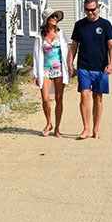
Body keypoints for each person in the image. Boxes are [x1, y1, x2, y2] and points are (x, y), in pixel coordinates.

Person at [67, 0, 112, 140]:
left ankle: (96, 129)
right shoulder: (79, 25)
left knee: (98, 98)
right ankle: (86, 129)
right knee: (84, 95)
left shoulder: (105, 25)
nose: (90, 13)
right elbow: (74, 46)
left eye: (93, 10)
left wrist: (111, 64)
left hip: (100, 68)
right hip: (84, 67)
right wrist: (70, 65)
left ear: (98, 8)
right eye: (87, 10)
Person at [32, 7, 70, 137]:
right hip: (45, 70)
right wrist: (35, 74)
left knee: (59, 99)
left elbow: (66, 52)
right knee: (45, 99)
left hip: (59, 70)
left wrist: (70, 67)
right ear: (47, 20)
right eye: (52, 16)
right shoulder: (40, 36)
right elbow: (36, 55)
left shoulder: (61, 34)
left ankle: (57, 128)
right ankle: (49, 123)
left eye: (56, 16)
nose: (55, 18)